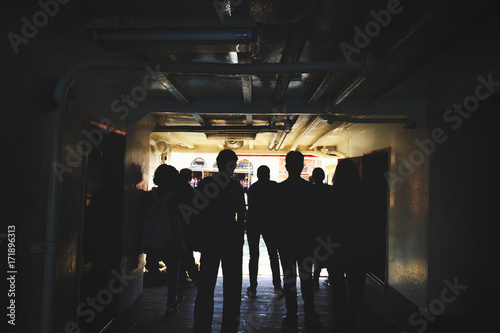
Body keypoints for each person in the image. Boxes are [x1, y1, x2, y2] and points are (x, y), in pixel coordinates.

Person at [193, 150, 246, 333]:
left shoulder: (205, 184)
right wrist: (240, 241)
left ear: (217, 163)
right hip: (230, 240)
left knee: (206, 286)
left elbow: (196, 213)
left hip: (210, 239)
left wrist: (198, 238)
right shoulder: (236, 188)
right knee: (232, 287)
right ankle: (229, 327)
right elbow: (241, 217)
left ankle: (201, 326)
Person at [268, 151, 321, 332]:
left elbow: (273, 218)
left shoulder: (279, 190)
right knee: (306, 279)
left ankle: (291, 317)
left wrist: (275, 241)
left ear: (287, 167)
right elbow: (316, 218)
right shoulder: (311, 190)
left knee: (289, 278)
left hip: (287, 241)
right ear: (302, 166)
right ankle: (310, 314)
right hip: (306, 241)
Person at [326, 159, 374, 332]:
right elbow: (369, 226)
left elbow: (325, 226)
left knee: (338, 292)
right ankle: (347, 324)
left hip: (335, 251)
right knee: (356, 291)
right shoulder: (363, 197)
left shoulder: (331, 197)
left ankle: (339, 325)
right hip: (357, 251)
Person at [143, 164, 185, 319]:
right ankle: (171, 302)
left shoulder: (148, 196)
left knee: (155, 264)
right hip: (170, 240)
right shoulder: (175, 197)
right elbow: (176, 221)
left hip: (152, 239)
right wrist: (181, 242)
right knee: (173, 271)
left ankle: (153, 270)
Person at [245, 165, 282, 297]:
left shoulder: (252, 188)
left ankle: (253, 287)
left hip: (253, 223)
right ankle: (277, 286)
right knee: (273, 254)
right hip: (270, 224)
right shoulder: (274, 186)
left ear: (258, 175)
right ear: (269, 174)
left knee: (254, 256)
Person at [310, 167, 332, 290]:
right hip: (326, 225)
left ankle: (315, 279)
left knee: (313, 253)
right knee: (326, 252)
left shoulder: (309, 190)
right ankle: (331, 276)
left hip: (313, 226)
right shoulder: (329, 189)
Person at [178, 168, 199, 288]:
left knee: (179, 253)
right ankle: (193, 276)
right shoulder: (190, 192)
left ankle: (182, 276)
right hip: (187, 226)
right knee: (187, 252)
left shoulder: (174, 190)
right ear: (190, 177)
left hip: (175, 225)